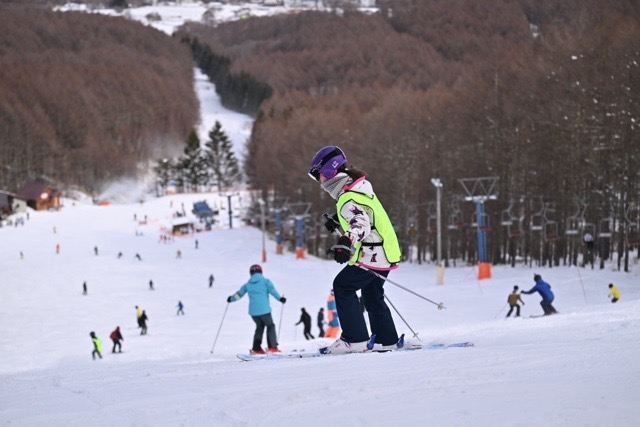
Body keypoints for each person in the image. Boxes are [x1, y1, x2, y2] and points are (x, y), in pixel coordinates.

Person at [309, 146, 402, 354]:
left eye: (320, 176)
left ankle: (355, 339)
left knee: (342, 286)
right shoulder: (359, 189)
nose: (320, 182)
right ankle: (386, 340)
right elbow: (365, 216)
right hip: (385, 253)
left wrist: (345, 241)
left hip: (373, 255)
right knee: (372, 295)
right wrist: (339, 222)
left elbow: (361, 224)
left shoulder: (347, 198)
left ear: (330, 173)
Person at [227, 264, 286, 354]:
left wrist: (231, 299)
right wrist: (280, 299)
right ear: (261, 272)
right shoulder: (266, 282)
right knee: (270, 326)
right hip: (264, 310)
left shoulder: (247, 284)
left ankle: (256, 348)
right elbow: (273, 291)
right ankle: (272, 347)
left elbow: (239, 294)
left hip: (253, 313)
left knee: (259, 327)